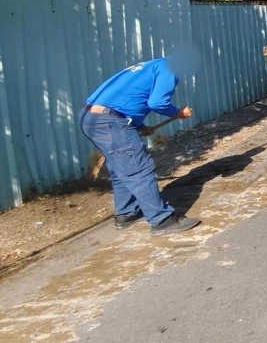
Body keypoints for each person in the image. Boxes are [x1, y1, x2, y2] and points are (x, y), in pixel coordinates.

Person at [79, 46, 202, 236]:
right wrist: (177, 113)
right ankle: (162, 220)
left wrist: (139, 126)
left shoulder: (151, 66)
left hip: (91, 118)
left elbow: (126, 100)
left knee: (121, 168)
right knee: (138, 168)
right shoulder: (169, 69)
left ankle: (126, 213)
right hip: (110, 122)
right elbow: (157, 102)